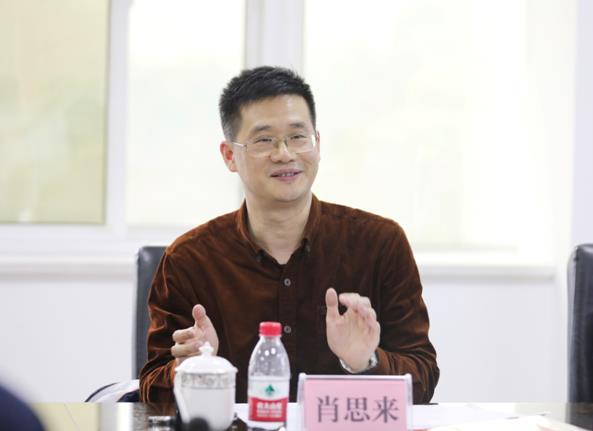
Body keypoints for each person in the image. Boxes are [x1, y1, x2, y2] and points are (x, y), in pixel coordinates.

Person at [139, 66, 439, 404]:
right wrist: (192, 370)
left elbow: (423, 378)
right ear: (229, 156)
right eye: (264, 140)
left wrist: (365, 362)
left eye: (298, 137)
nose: (284, 154)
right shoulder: (189, 260)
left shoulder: (380, 245)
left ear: (317, 144)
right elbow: (151, 391)